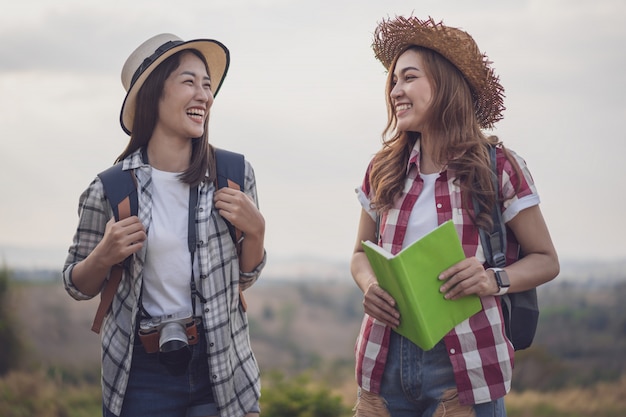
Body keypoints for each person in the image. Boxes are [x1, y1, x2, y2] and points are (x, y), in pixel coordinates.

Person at [350, 16, 559, 417]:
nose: (396, 91)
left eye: (408, 78)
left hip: (465, 367)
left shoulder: (498, 167)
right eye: (393, 81)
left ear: (444, 84)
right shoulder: (383, 168)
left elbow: (546, 260)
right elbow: (360, 253)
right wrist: (370, 284)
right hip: (383, 364)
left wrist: (490, 279)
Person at [62, 33, 266, 417]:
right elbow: (77, 284)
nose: (203, 95)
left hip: (221, 365)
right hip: (141, 376)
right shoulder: (110, 189)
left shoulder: (234, 174)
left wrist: (256, 231)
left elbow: (246, 276)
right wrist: (104, 255)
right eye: (189, 82)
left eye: (207, 84)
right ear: (153, 96)